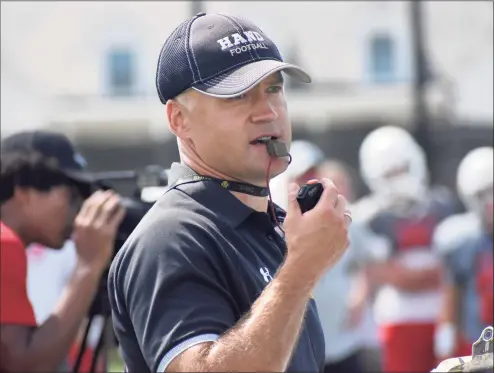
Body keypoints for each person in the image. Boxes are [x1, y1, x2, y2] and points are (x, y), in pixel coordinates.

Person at [107, 12, 350, 373]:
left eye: (274, 89)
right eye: (237, 95)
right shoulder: (171, 237)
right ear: (179, 120)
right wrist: (301, 270)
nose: (267, 111)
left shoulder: (273, 224)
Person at [0, 130, 125, 372]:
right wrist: (88, 265)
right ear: (23, 192)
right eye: (72, 196)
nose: (78, 211)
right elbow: (24, 366)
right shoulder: (4, 244)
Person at [271, 144, 382, 373]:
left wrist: (360, 294)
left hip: (343, 339)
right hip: (298, 344)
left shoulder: (342, 215)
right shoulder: (274, 222)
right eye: (302, 175)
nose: (308, 180)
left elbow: (365, 260)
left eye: (313, 173)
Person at [353, 126, 456, 373]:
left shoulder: (441, 204)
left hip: (443, 316)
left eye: (403, 168)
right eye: (391, 172)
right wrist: (431, 276)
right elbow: (387, 275)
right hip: (398, 318)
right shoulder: (367, 217)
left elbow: (455, 268)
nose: (399, 178)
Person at [433, 147, 494, 362]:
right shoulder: (459, 238)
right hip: (477, 340)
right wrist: (446, 329)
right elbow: (452, 289)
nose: (490, 202)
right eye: (482, 194)